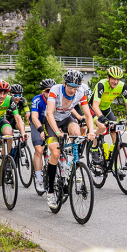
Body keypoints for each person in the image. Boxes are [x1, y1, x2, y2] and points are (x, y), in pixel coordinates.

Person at [45, 70, 95, 209]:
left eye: (75, 87)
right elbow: (49, 113)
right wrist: (57, 132)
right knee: (55, 153)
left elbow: (88, 114)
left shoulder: (80, 92)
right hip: (51, 121)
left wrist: (91, 131)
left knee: (76, 131)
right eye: (70, 86)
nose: (72, 90)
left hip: (66, 118)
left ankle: (75, 163)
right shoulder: (55, 90)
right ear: (64, 83)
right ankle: (50, 192)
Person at [89, 66, 127, 161]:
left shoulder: (122, 86)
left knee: (116, 133)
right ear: (108, 77)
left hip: (106, 109)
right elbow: (95, 106)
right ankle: (94, 147)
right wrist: (102, 119)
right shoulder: (101, 84)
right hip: (93, 108)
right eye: (113, 78)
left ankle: (115, 165)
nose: (115, 82)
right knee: (102, 127)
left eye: (118, 79)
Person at [30, 78, 56, 193]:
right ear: (43, 92)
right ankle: (39, 178)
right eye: (47, 90)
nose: (49, 93)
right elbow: (34, 117)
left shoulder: (56, 99)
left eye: (52, 90)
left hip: (50, 124)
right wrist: (41, 130)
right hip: (38, 124)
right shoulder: (37, 100)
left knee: (57, 149)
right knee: (39, 150)